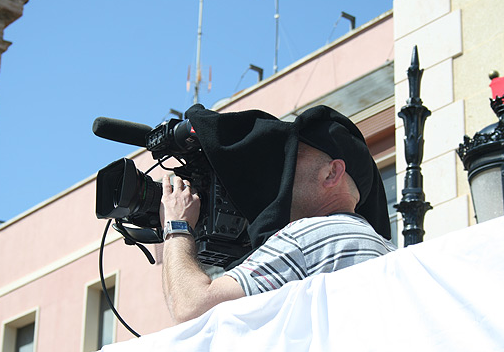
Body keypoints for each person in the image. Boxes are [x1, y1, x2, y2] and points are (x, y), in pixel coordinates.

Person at [160, 105, 396, 324]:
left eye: (294, 156)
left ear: (331, 173)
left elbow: (191, 307)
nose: (283, 170)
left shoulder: (311, 238)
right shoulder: (388, 249)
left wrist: (177, 224)